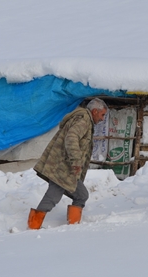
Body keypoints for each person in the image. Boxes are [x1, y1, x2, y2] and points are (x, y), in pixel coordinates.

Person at [28, 98, 108, 229]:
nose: (102, 118)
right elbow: (71, 138)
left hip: (67, 170)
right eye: (102, 114)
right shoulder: (84, 120)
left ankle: (73, 227)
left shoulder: (84, 119)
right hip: (62, 168)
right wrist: (76, 161)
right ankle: (33, 226)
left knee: (81, 195)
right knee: (52, 197)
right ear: (94, 111)